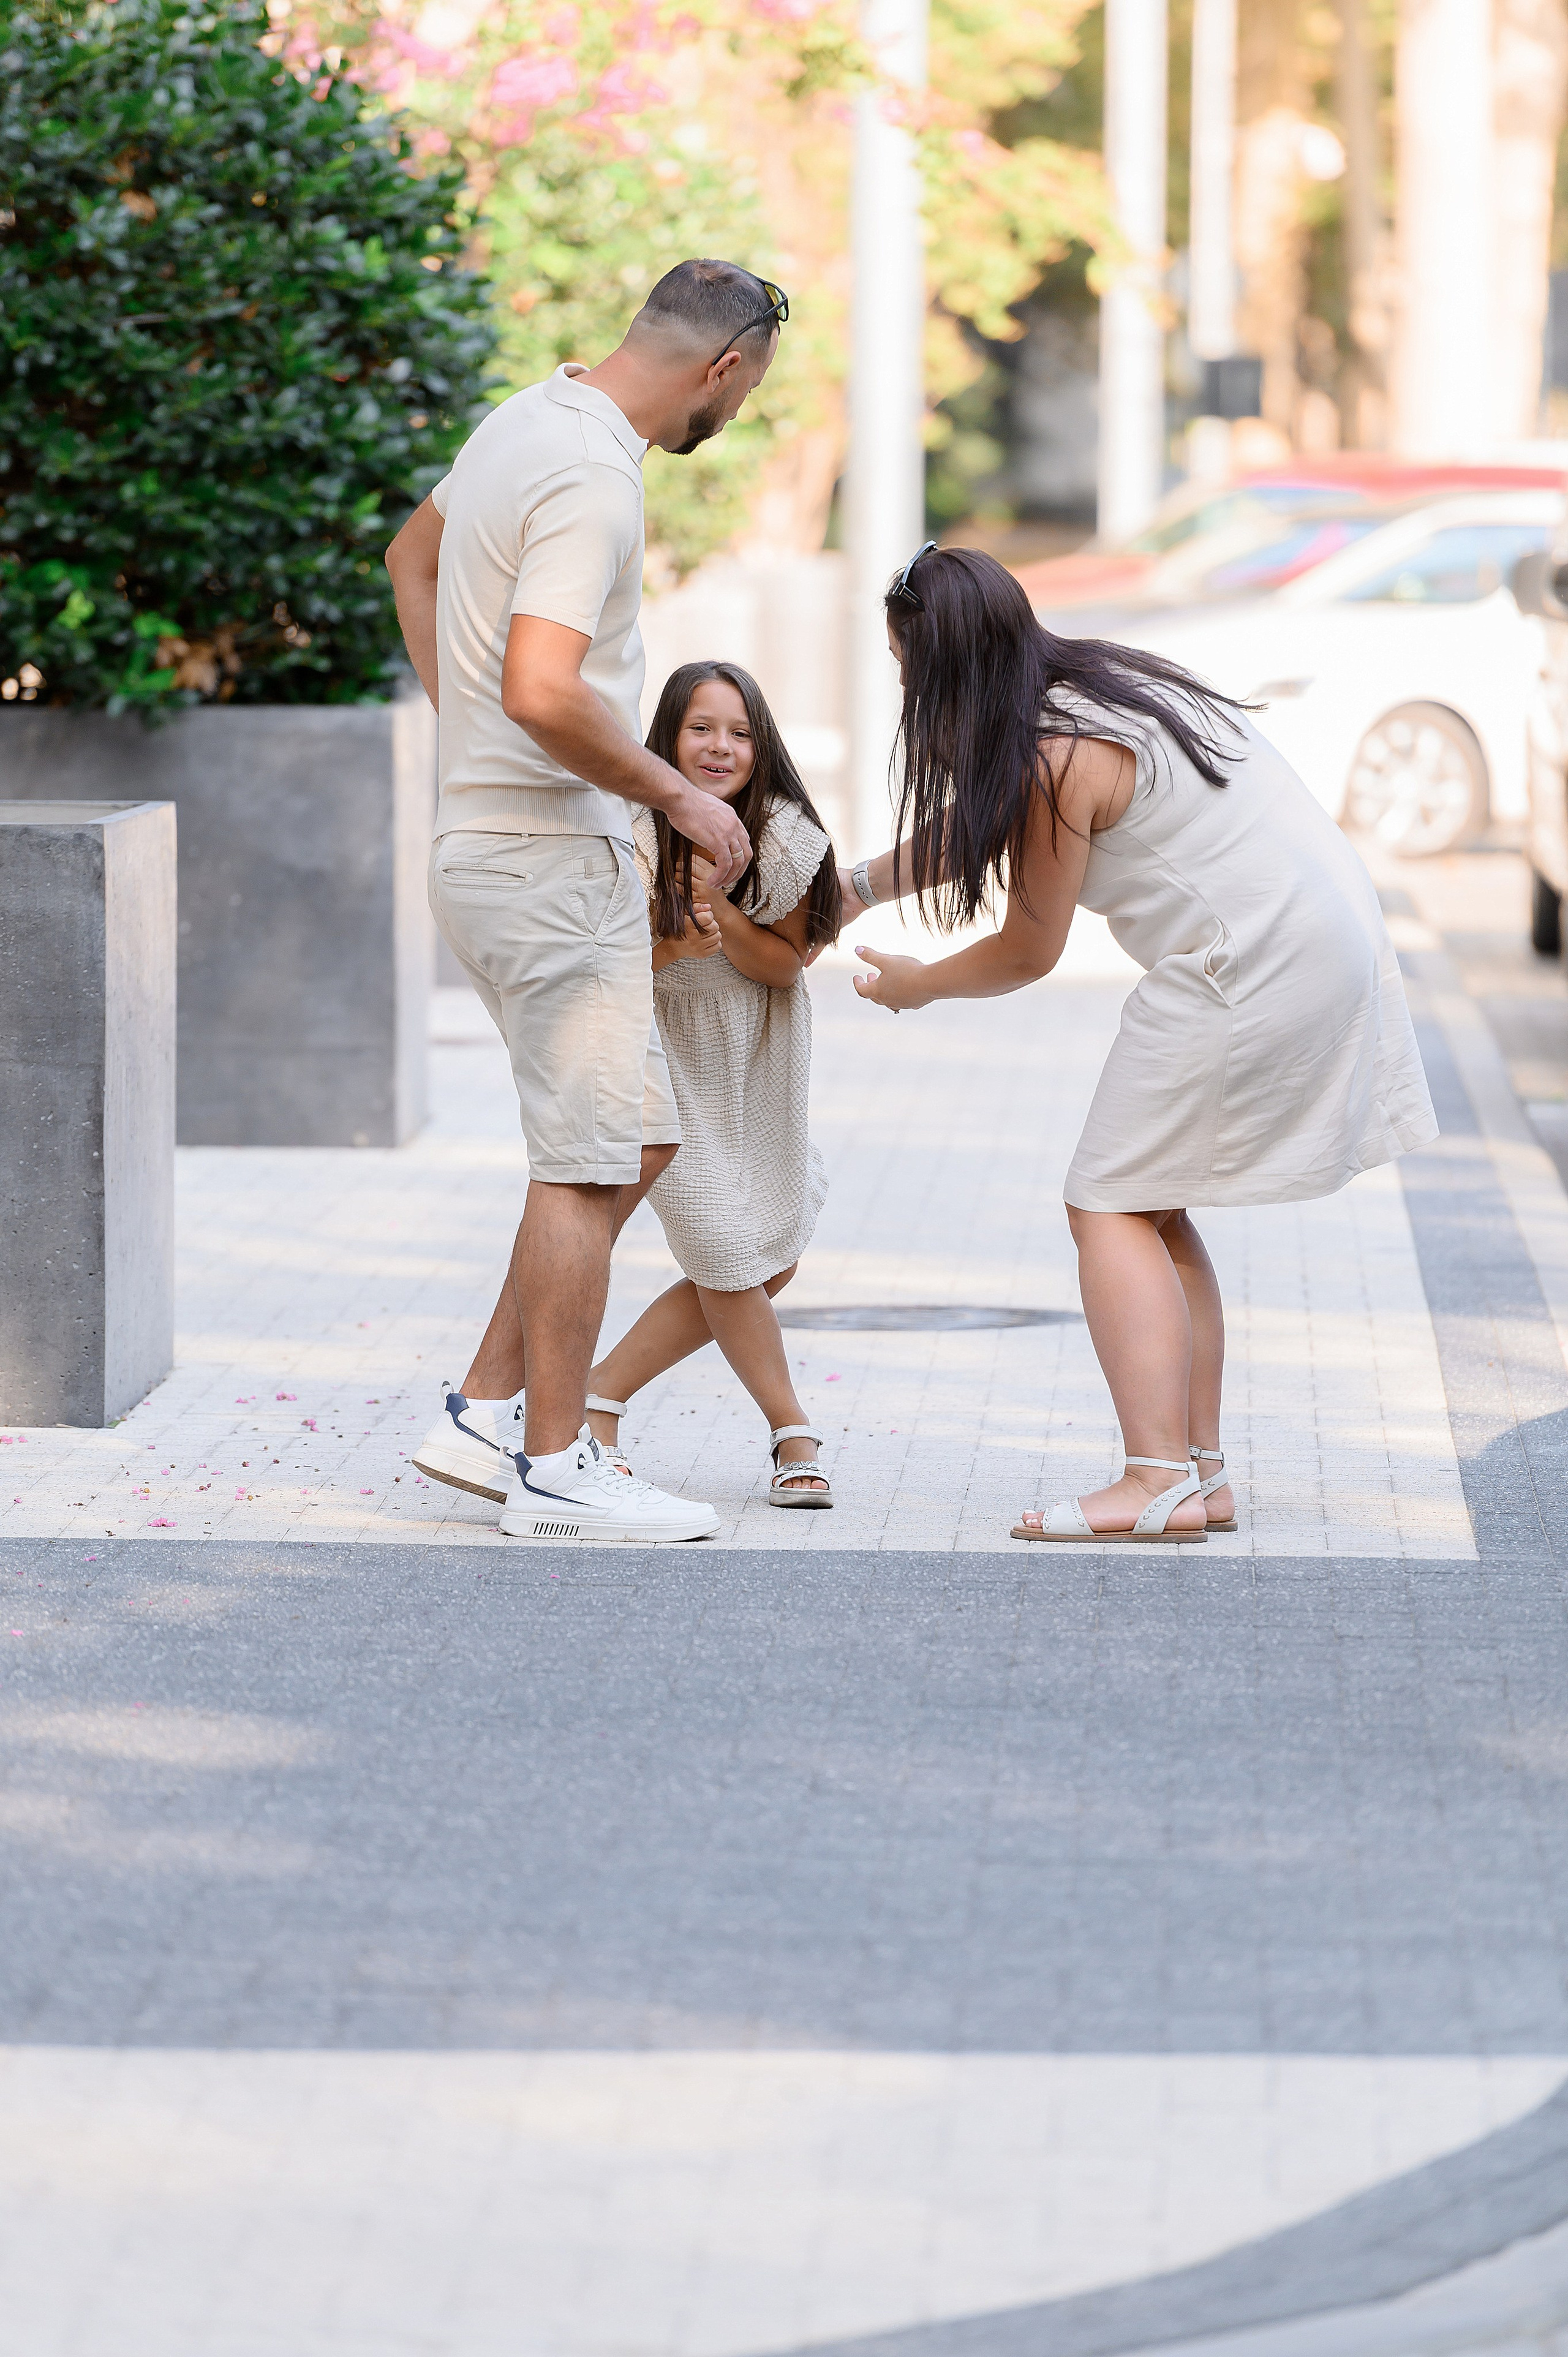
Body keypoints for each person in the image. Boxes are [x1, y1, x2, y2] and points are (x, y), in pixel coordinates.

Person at [845, 544, 1438, 1544]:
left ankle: (1152, 1479)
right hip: (1320, 941)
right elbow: (988, 830)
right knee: (1150, 1208)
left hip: (1248, 968)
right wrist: (854, 888)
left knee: (1106, 1203)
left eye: (907, 666)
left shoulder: (1054, 754)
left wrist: (919, 984)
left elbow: (1029, 951)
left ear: (942, 666)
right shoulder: (1105, 687)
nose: (903, 685)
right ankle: (1197, 1475)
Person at [385, 259, 788, 1544]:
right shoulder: (598, 475)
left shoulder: (522, 418)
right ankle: (553, 1462)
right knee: (592, 1157)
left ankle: (485, 1409)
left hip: (501, 840)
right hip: (551, 860)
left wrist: (469, 745)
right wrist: (677, 794)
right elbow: (544, 688)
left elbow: (413, 554)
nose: (732, 416)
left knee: (637, 1137)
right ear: (718, 369)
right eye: (745, 393)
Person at [582, 662, 842, 1507]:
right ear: (666, 737)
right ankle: (792, 1429)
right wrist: (672, 950)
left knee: (767, 1263)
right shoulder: (633, 829)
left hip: (756, 1055)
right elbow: (602, 959)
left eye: (739, 731)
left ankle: (595, 1401)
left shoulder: (785, 834)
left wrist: (721, 913)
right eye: (701, 728)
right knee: (727, 1252)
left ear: (761, 745)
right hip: (660, 1056)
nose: (720, 746)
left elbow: (783, 965)